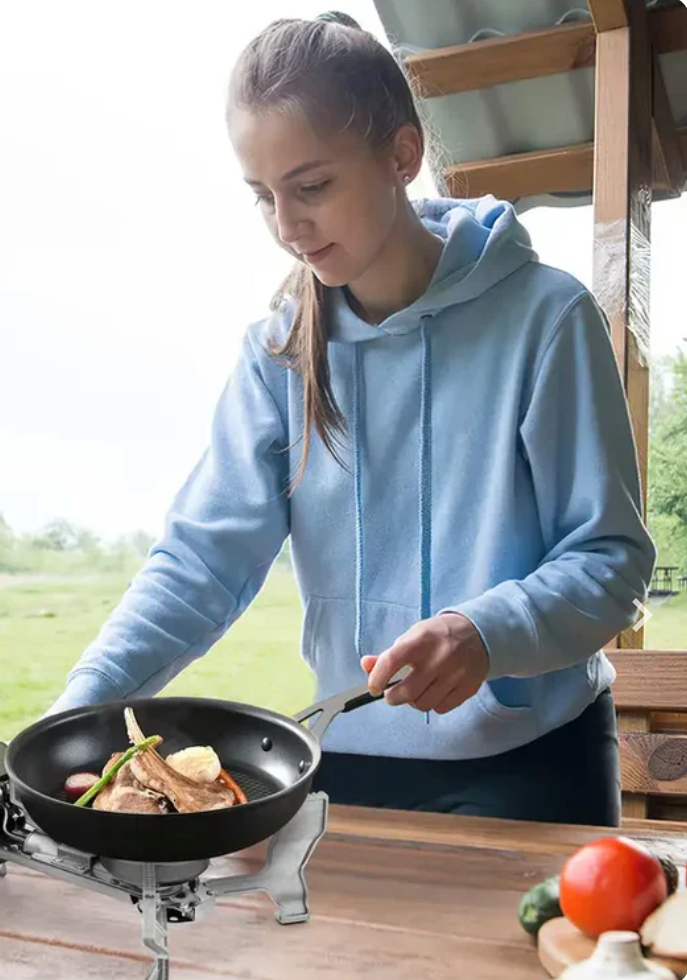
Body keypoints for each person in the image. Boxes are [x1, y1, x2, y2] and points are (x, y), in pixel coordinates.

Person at [43, 12, 656, 827]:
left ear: (402, 156)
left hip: (538, 763)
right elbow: (200, 565)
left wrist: (485, 633)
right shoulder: (278, 354)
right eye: (262, 196)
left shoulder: (547, 319)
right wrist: (73, 715)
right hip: (349, 760)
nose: (287, 227)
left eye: (312, 186)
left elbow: (612, 562)